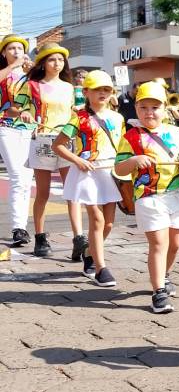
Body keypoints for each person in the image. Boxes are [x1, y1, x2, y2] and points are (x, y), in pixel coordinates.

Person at [114, 81, 179, 313]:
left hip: (178, 195)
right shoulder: (131, 137)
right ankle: (158, 292)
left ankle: (164, 275)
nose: (149, 112)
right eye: (143, 107)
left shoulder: (177, 133)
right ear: (136, 109)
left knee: (175, 244)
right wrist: (134, 161)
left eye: (155, 107)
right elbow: (119, 169)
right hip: (148, 195)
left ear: (165, 108)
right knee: (159, 243)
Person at [11, 42, 86, 260]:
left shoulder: (70, 88)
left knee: (72, 191)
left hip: (65, 141)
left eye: (61, 59)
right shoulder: (31, 85)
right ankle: (40, 236)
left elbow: (77, 113)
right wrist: (24, 113)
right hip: (42, 140)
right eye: (52, 59)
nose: (57, 63)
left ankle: (79, 238)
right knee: (42, 192)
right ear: (43, 63)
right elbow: (15, 107)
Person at [53, 70, 125, 286]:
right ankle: (101, 268)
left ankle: (88, 252)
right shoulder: (79, 118)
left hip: (111, 172)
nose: (102, 93)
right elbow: (57, 145)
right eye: (97, 89)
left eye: (106, 89)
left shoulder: (118, 118)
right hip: (87, 173)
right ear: (86, 92)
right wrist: (77, 160)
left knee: (109, 224)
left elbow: (122, 146)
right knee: (97, 219)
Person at [0, 34, 34, 247]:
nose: (16, 52)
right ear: (4, 53)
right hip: (6, 127)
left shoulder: (31, 75)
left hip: (30, 130)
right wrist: (13, 66)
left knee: (26, 181)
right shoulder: (5, 74)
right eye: (11, 48)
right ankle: (17, 227)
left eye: (19, 49)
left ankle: (21, 227)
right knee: (16, 177)